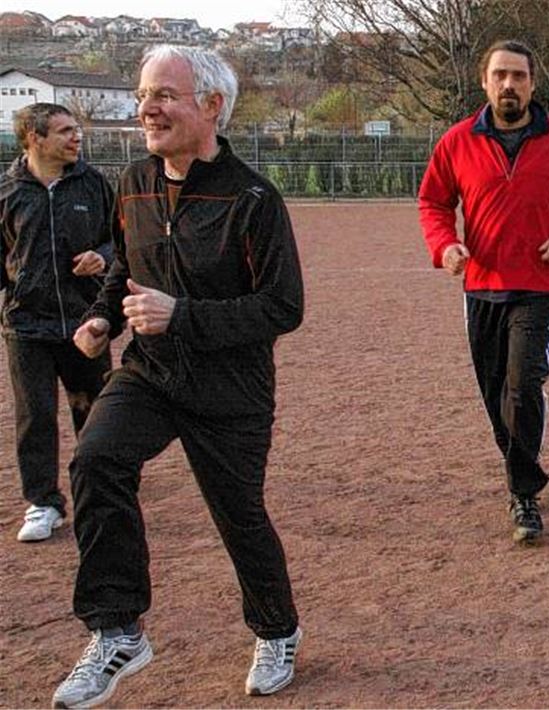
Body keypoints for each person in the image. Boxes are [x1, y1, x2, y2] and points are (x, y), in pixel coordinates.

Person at [52, 45, 305, 708]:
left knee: (238, 516)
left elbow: (283, 306)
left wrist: (182, 315)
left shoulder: (253, 198)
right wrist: (106, 318)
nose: (148, 107)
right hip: (152, 373)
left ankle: (277, 630)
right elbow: (123, 270)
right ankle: (117, 630)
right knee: (95, 460)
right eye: (144, 94)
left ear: (212, 106)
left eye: (164, 93)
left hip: (231, 390)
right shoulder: (133, 180)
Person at [418, 40, 549, 545]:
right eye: (500, 75)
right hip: (481, 285)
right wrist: (445, 245)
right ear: (485, 82)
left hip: (540, 284)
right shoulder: (457, 141)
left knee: (523, 383)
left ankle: (524, 494)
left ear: (531, 84)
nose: (508, 85)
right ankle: (521, 462)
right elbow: (433, 202)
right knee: (495, 390)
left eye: (518, 76)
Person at [0, 104, 113, 542]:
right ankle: (43, 503)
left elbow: (119, 242)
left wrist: (101, 256)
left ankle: (98, 493)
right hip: (26, 327)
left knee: (95, 412)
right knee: (35, 417)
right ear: (34, 137)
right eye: (65, 131)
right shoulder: (8, 192)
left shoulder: (94, 184)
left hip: (86, 323)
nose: (76, 138)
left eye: (77, 130)